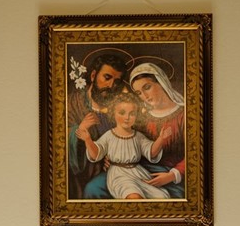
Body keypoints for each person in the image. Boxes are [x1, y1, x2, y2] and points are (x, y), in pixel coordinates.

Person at [76, 94, 173, 200]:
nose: (127, 118)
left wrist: (161, 139)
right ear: (113, 114)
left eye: (132, 114)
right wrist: (88, 140)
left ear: (137, 116)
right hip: (119, 175)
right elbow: (96, 155)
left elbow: (151, 152)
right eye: (122, 113)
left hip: (138, 174)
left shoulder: (138, 136)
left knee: (160, 197)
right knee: (134, 196)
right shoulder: (109, 135)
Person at [66, 50, 128, 200]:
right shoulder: (72, 103)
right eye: (107, 77)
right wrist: (79, 129)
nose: (111, 85)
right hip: (81, 179)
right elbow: (57, 140)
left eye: (117, 81)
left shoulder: (120, 107)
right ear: (93, 76)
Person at [130, 62, 186, 198]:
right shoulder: (141, 118)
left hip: (170, 175)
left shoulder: (184, 114)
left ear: (161, 82)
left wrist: (172, 175)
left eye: (147, 87)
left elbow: (194, 155)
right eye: (139, 93)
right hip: (140, 171)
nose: (144, 96)